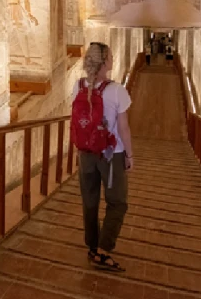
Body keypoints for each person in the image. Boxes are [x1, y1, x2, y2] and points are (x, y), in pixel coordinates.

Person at [75, 42, 134, 271]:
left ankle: (92, 245)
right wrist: (130, 155)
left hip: (86, 153)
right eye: (110, 56)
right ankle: (103, 250)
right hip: (111, 154)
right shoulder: (116, 90)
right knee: (117, 202)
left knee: (90, 201)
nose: (112, 58)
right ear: (104, 63)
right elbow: (124, 128)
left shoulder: (77, 86)